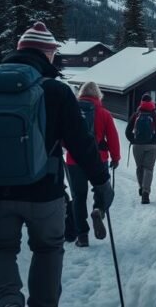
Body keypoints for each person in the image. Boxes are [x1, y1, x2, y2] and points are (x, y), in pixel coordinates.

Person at [0, 22, 114, 307]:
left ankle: (7, 301)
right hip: (44, 194)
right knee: (47, 249)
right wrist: (101, 183)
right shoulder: (56, 92)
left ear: (19, 51)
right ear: (48, 54)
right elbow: (82, 145)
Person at [66, 81, 121, 247]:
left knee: (78, 196)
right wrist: (116, 157)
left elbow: (63, 137)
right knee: (101, 190)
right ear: (98, 96)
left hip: (74, 160)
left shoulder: (71, 112)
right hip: (99, 159)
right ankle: (99, 210)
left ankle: (82, 236)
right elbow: (113, 137)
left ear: (81, 94)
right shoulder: (104, 114)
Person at [125, 93, 156, 204]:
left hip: (137, 146)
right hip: (152, 145)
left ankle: (141, 187)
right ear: (151, 101)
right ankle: (146, 193)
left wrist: (133, 140)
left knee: (139, 168)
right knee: (148, 169)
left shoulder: (136, 114)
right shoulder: (155, 114)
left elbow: (127, 131)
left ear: (141, 102)